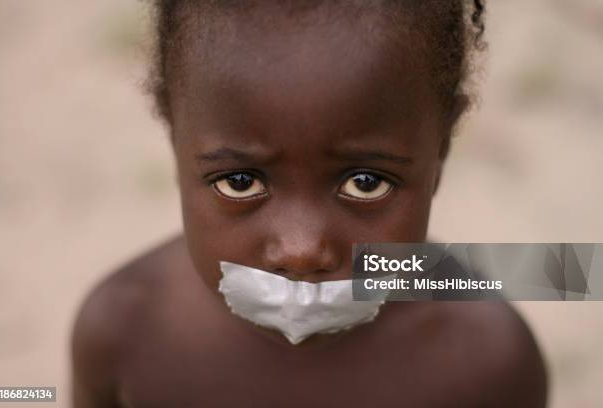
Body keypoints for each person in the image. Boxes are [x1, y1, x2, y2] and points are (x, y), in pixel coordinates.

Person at [71, 1, 548, 406]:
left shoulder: (488, 359)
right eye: (239, 182)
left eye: (366, 183)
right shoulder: (123, 332)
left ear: (440, 148)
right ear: (175, 137)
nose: (301, 252)